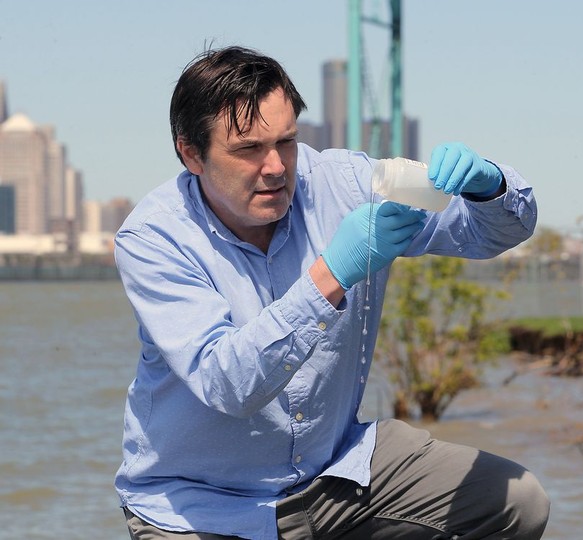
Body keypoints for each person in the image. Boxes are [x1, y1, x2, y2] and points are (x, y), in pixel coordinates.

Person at [114, 45, 549, 540]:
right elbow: (229, 384)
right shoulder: (153, 239)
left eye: (287, 142)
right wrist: (333, 273)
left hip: (335, 472)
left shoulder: (345, 183)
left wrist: (488, 186)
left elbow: (489, 235)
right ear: (191, 153)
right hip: (200, 507)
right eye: (249, 149)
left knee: (515, 502)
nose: (276, 166)